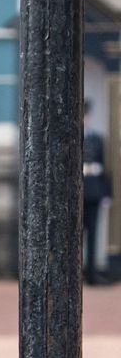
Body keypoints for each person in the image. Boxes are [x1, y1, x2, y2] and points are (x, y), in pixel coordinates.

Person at [83, 98, 112, 285]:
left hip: (94, 191)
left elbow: (106, 167)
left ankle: (92, 274)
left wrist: (107, 194)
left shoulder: (97, 139)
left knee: (93, 235)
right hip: (80, 191)